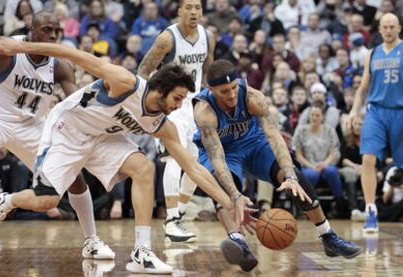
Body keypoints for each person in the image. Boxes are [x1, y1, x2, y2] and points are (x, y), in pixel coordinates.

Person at [0, 38, 249, 274]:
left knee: (144, 168)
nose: (179, 106)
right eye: (178, 98)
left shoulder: (162, 124)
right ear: (161, 90)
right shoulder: (126, 82)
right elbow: (71, 53)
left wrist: (231, 201)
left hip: (103, 137)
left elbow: (193, 169)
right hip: (68, 130)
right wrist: (19, 48)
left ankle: (142, 252)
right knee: (46, 201)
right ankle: (5, 200)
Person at [193, 59, 362, 272]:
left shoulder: (253, 97)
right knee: (224, 188)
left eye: (235, 87)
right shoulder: (204, 110)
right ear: (211, 89)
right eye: (225, 91)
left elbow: (275, 137)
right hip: (224, 153)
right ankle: (238, 241)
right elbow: (217, 158)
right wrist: (236, 195)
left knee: (295, 178)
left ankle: (328, 236)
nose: (232, 94)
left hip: (254, 143)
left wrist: (290, 175)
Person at [0, 11, 114, 259]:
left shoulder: (60, 66)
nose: (54, 35)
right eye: (47, 29)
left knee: (73, 177)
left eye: (57, 31)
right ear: (32, 30)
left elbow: (77, 104)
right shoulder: (8, 52)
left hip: (34, 126)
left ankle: (91, 240)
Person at [138, 0, 241, 243]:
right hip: (170, 105)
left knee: (196, 163)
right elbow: (143, 71)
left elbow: (208, 73)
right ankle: (171, 219)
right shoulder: (167, 39)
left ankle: (180, 214)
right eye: (189, 7)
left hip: (195, 106)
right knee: (174, 158)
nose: (194, 12)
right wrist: (147, 104)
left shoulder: (208, 36)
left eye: (198, 7)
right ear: (180, 10)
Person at [348, 13, 403, 233]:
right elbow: (363, 88)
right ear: (379, 29)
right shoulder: (372, 54)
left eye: (392, 27)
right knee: (368, 158)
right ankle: (371, 212)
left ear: (399, 28)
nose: (388, 30)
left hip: (400, 111)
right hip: (376, 112)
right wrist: (354, 110)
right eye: (385, 27)